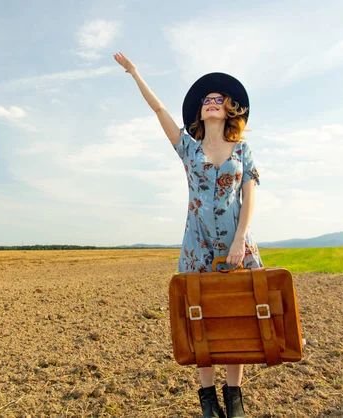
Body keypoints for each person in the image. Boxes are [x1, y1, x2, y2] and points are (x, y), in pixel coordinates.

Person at [113, 52, 263, 418]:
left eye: (218, 100)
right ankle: (208, 400)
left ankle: (235, 398)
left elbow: (249, 196)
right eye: (206, 101)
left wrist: (240, 239)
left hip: (234, 243)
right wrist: (135, 73)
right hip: (196, 247)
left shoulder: (242, 150)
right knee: (202, 319)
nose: (211, 102)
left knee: (236, 317)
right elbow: (159, 110)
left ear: (229, 110)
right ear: (200, 114)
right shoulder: (189, 150)